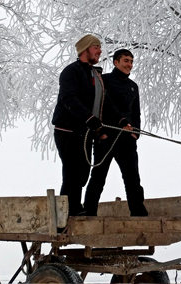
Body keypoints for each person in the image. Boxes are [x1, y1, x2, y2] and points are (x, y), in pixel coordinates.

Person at [52, 34, 131, 216]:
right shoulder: (71, 72)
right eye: (96, 47)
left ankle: (73, 208)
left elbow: (106, 101)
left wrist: (122, 120)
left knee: (82, 173)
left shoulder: (95, 74)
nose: (100, 51)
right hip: (68, 130)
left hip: (85, 132)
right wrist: (90, 119)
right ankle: (68, 213)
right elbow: (69, 98)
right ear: (85, 49)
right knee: (72, 172)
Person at [84, 49, 149, 217]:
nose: (129, 65)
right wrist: (100, 132)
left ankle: (138, 212)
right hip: (106, 137)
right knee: (98, 177)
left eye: (131, 61)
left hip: (127, 139)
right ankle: (89, 212)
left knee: (132, 178)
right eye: (126, 61)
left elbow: (136, 113)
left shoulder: (133, 86)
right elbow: (100, 106)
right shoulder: (104, 81)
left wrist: (136, 133)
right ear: (116, 62)